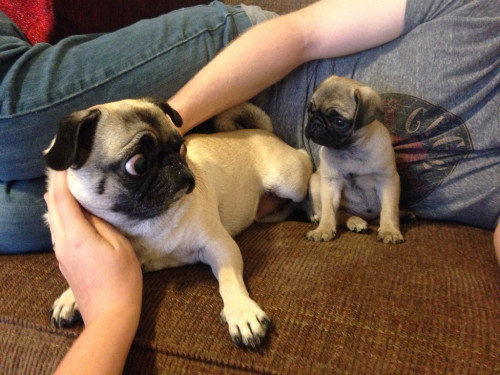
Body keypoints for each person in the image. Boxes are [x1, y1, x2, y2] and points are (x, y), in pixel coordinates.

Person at [4, 0, 500, 370]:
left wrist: (169, 154)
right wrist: (171, 127)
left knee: (11, 222)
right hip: (231, 60)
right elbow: (302, 32)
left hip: (252, 154)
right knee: (9, 115)